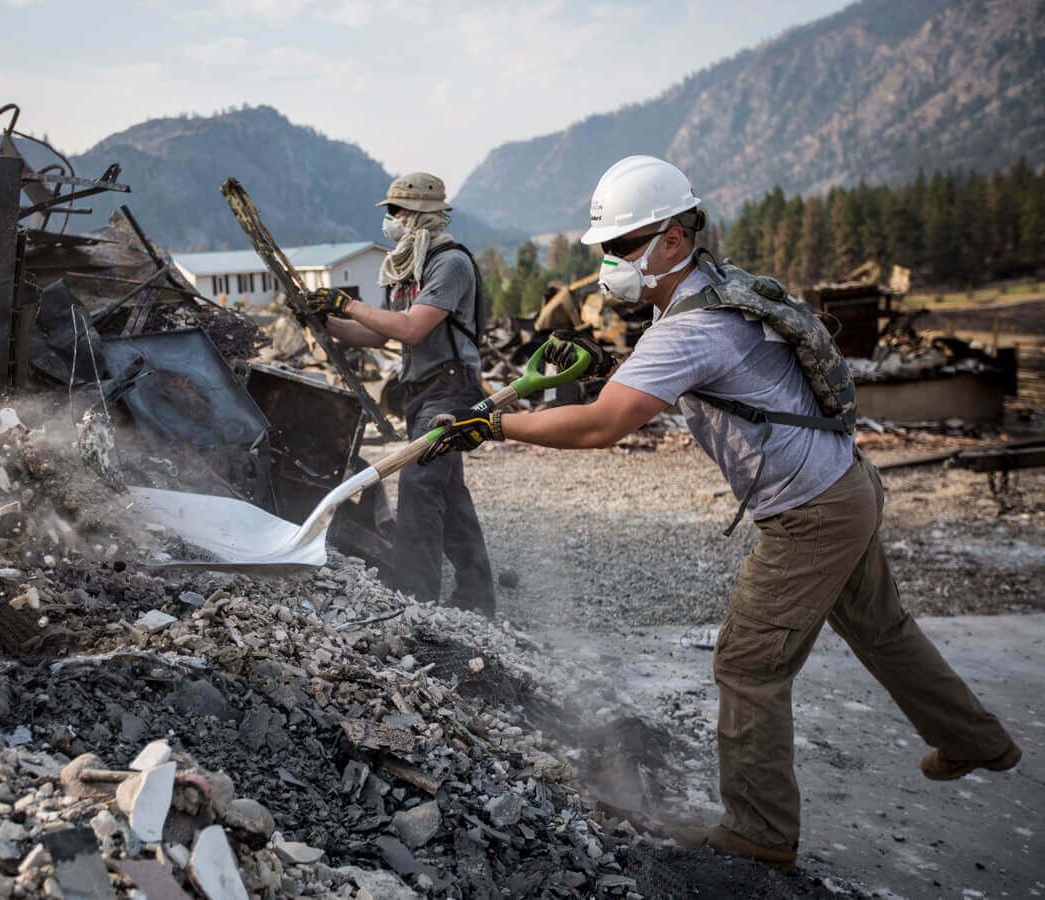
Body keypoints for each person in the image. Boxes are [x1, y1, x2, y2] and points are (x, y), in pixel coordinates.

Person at [423, 155, 1021, 871]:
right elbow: (646, 387)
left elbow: (601, 425)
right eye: (605, 249)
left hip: (811, 513)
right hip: (846, 485)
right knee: (881, 628)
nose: (609, 263)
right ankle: (978, 741)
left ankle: (759, 836)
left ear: (673, 240)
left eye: (621, 247)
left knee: (747, 666)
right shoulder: (714, 292)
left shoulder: (687, 330)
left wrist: (494, 427)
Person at [305, 172, 496, 617]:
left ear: (419, 214)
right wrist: (326, 322)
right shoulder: (408, 263)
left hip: (450, 389)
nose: (389, 220)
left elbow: (412, 327)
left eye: (395, 211)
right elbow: (379, 334)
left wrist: (347, 303)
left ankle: (416, 597)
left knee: (419, 483)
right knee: (450, 495)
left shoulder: (449, 263)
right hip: (419, 390)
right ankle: (477, 598)